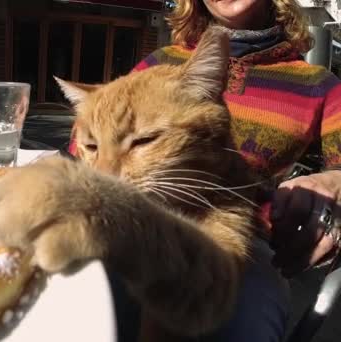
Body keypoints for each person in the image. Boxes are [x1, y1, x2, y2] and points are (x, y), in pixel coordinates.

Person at [68, 0, 341, 340]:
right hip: (135, 217)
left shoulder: (317, 83)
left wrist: (335, 180)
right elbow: (91, 138)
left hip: (242, 234)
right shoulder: (159, 62)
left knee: (243, 320)